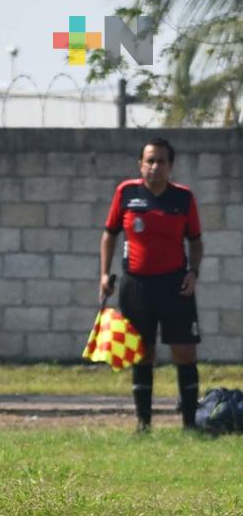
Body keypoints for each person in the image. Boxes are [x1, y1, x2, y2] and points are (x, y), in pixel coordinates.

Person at [98, 138, 204, 431]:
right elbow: (109, 234)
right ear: (141, 164)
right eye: (150, 161)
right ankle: (143, 424)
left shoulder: (183, 198)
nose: (155, 166)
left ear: (170, 166)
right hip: (136, 285)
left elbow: (195, 241)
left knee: (184, 351)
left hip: (175, 285)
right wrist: (104, 274)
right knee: (142, 352)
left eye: (161, 161)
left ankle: (190, 424)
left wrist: (193, 272)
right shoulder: (126, 193)